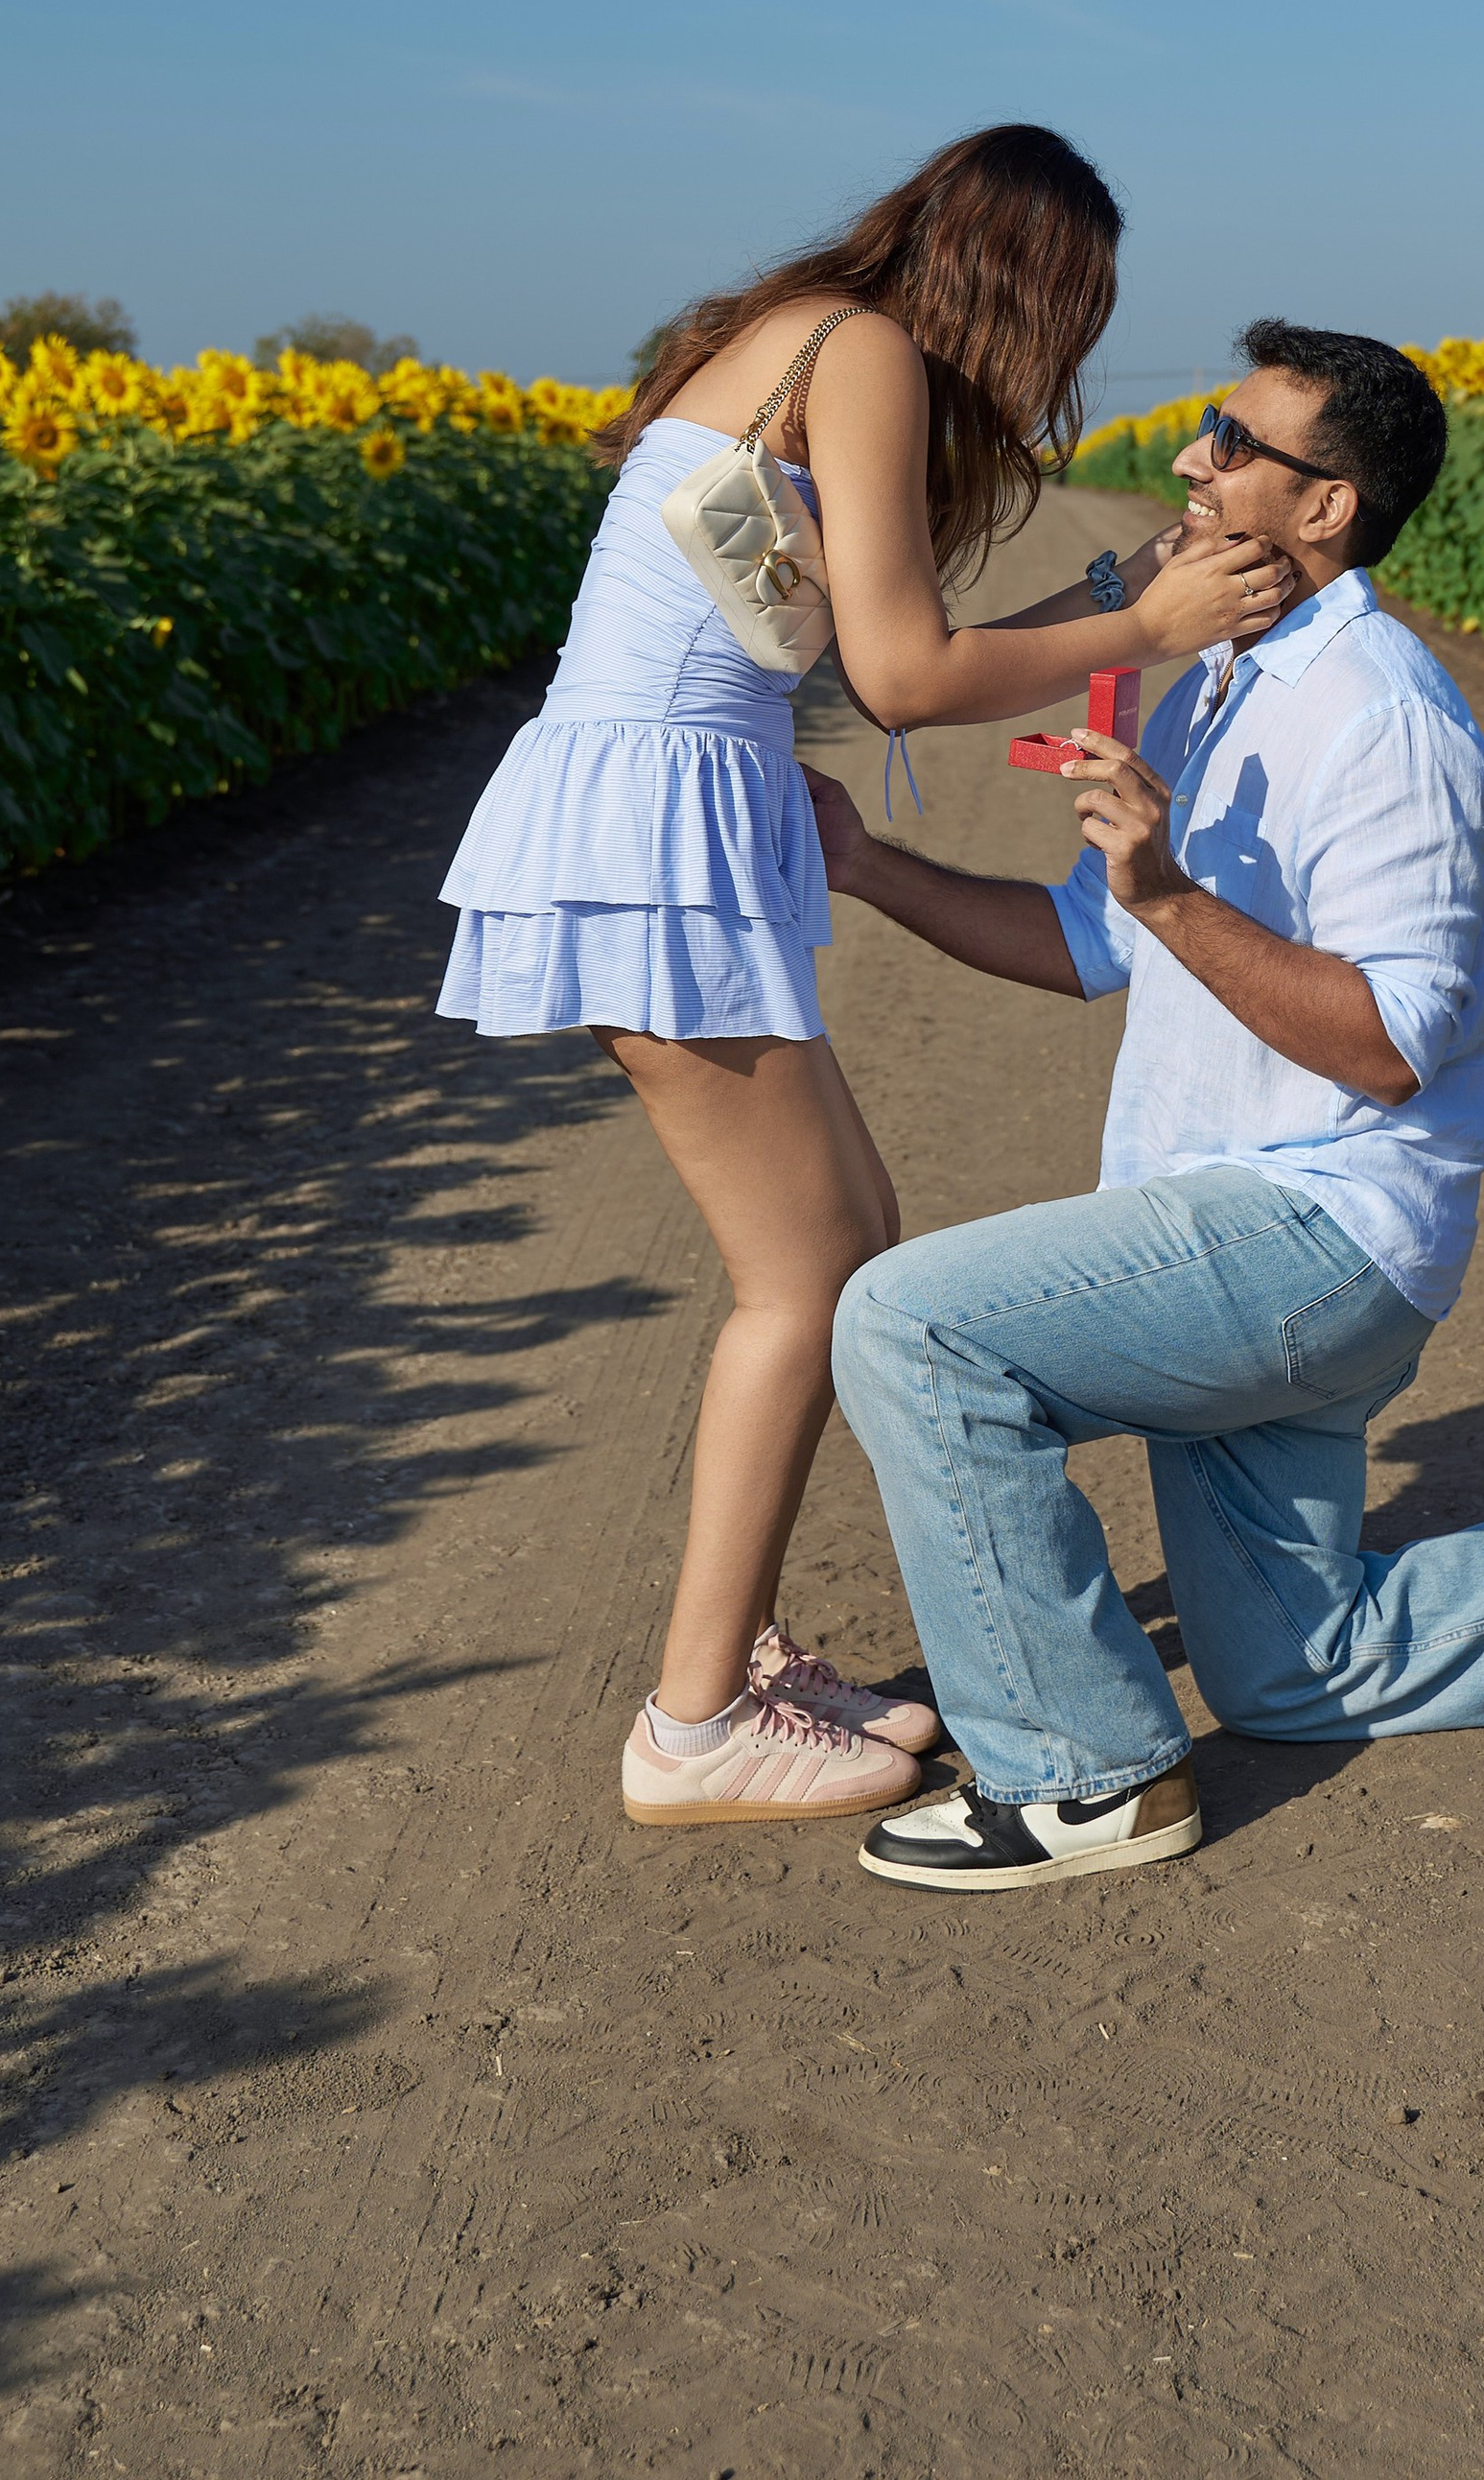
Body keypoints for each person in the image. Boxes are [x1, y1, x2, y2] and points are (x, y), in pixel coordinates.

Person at [809, 319, 1484, 1892]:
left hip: (1319, 1230)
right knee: (1290, 1670)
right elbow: (1088, 941)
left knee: (911, 1325)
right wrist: (867, 867)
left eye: (1228, 440)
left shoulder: (1383, 715)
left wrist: (1172, 891)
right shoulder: (1209, 682)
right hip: (1221, 1216)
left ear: (1325, 507)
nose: (1191, 462)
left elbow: (1396, 1046)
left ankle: (1083, 1780)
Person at [435, 129, 1293, 1828]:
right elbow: (905, 678)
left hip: (658, 802)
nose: (1065, 359)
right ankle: (692, 1728)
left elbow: (868, 649)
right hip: (657, 819)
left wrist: (1132, 588)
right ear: (1021, 279)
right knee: (813, 1275)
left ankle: (730, 1668)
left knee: (832, 1255)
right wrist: (1151, 634)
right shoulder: (871, 353)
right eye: (1076, 310)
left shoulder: (802, 331)